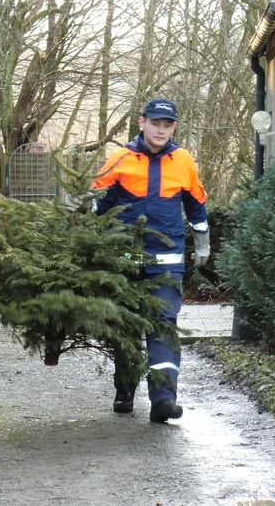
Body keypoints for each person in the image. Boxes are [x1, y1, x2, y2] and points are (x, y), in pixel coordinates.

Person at [91, 98, 209, 423]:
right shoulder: (120, 159)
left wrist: (203, 242)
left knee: (162, 326)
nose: (160, 130)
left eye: (167, 124)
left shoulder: (182, 160)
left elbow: (197, 205)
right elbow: (95, 203)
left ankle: (163, 399)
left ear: (173, 127)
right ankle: (125, 389)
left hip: (167, 262)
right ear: (141, 122)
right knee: (126, 326)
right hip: (124, 262)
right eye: (155, 123)